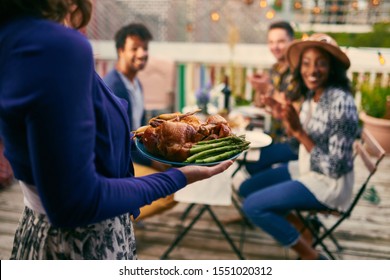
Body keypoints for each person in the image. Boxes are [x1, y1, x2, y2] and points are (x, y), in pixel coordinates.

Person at [0, 0, 233, 260]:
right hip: (82, 244)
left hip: (38, 232)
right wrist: (179, 177)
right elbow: (75, 202)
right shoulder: (57, 48)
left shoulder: (14, 36)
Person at [239, 33, 359, 260]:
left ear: (333, 68)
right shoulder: (313, 95)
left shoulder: (341, 102)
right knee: (246, 189)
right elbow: (297, 143)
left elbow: (334, 167)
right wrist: (284, 117)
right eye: (306, 63)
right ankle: (305, 229)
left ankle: (313, 257)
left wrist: (300, 132)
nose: (312, 70)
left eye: (321, 63)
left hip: (328, 183)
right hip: (306, 167)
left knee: (253, 206)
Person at [103, 23, 176, 221]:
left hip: (138, 153)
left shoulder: (136, 83)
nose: (142, 53)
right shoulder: (112, 87)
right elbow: (116, 142)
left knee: (178, 168)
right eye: (135, 48)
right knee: (170, 191)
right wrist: (151, 160)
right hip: (122, 162)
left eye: (145, 48)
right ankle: (120, 214)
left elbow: (142, 128)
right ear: (120, 50)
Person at [244, 21, 301, 175]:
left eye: (281, 41)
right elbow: (261, 104)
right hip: (273, 133)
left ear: (292, 42)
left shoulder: (300, 72)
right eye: (271, 42)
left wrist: (268, 89)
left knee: (252, 161)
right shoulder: (275, 69)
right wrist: (259, 89)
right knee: (246, 153)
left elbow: (290, 107)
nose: (275, 47)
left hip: (294, 141)